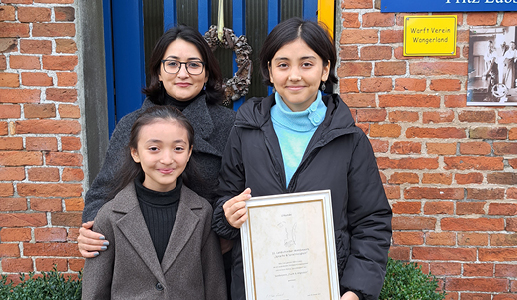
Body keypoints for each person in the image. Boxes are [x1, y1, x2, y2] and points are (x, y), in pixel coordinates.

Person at [212, 17, 392, 300]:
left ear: (325, 69)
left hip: (327, 290)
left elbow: (372, 222)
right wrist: (228, 214)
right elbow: (224, 197)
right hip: (257, 288)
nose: (294, 75)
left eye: (306, 64)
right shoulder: (245, 131)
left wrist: (356, 290)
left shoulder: (349, 139)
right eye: (283, 64)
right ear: (269, 71)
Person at [77, 24, 235, 256]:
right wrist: (92, 231)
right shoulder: (131, 125)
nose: (183, 73)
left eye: (194, 64)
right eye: (172, 64)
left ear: (206, 73)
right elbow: (103, 192)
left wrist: (226, 231)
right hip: (141, 256)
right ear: (158, 72)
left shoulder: (230, 125)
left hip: (208, 254)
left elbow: (239, 190)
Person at [82, 105, 227, 300]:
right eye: (154, 149)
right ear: (135, 153)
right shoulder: (109, 216)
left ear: (189, 152)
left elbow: (214, 287)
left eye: (178, 148)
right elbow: (94, 292)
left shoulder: (202, 212)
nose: (167, 159)